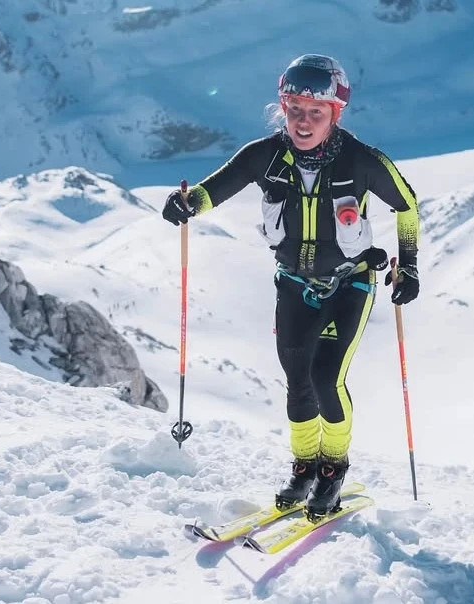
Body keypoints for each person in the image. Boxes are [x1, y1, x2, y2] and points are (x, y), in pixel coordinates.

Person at [160, 54, 421, 519]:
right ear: (283, 107)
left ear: (335, 113)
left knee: (326, 378)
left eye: (315, 112)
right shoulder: (264, 156)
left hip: (350, 284)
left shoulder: (363, 161)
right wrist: (186, 205)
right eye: (294, 109)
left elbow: (407, 205)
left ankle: (332, 469)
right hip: (293, 285)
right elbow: (213, 189)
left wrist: (411, 265)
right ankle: (304, 467)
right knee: (298, 382)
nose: (303, 121)